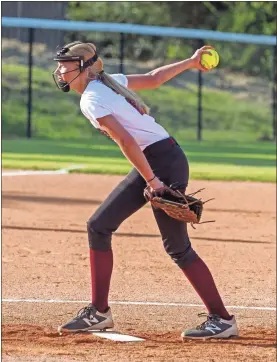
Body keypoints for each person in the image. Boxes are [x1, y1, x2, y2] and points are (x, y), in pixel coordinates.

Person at [53, 41, 238, 339]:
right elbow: (154, 78)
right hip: (156, 159)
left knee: (177, 247)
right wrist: (190, 62)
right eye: (60, 64)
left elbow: (127, 141)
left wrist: (154, 182)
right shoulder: (107, 83)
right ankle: (99, 312)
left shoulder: (92, 97)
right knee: (99, 226)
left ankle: (222, 319)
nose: (60, 70)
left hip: (161, 162)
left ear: (84, 68)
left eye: (66, 65)